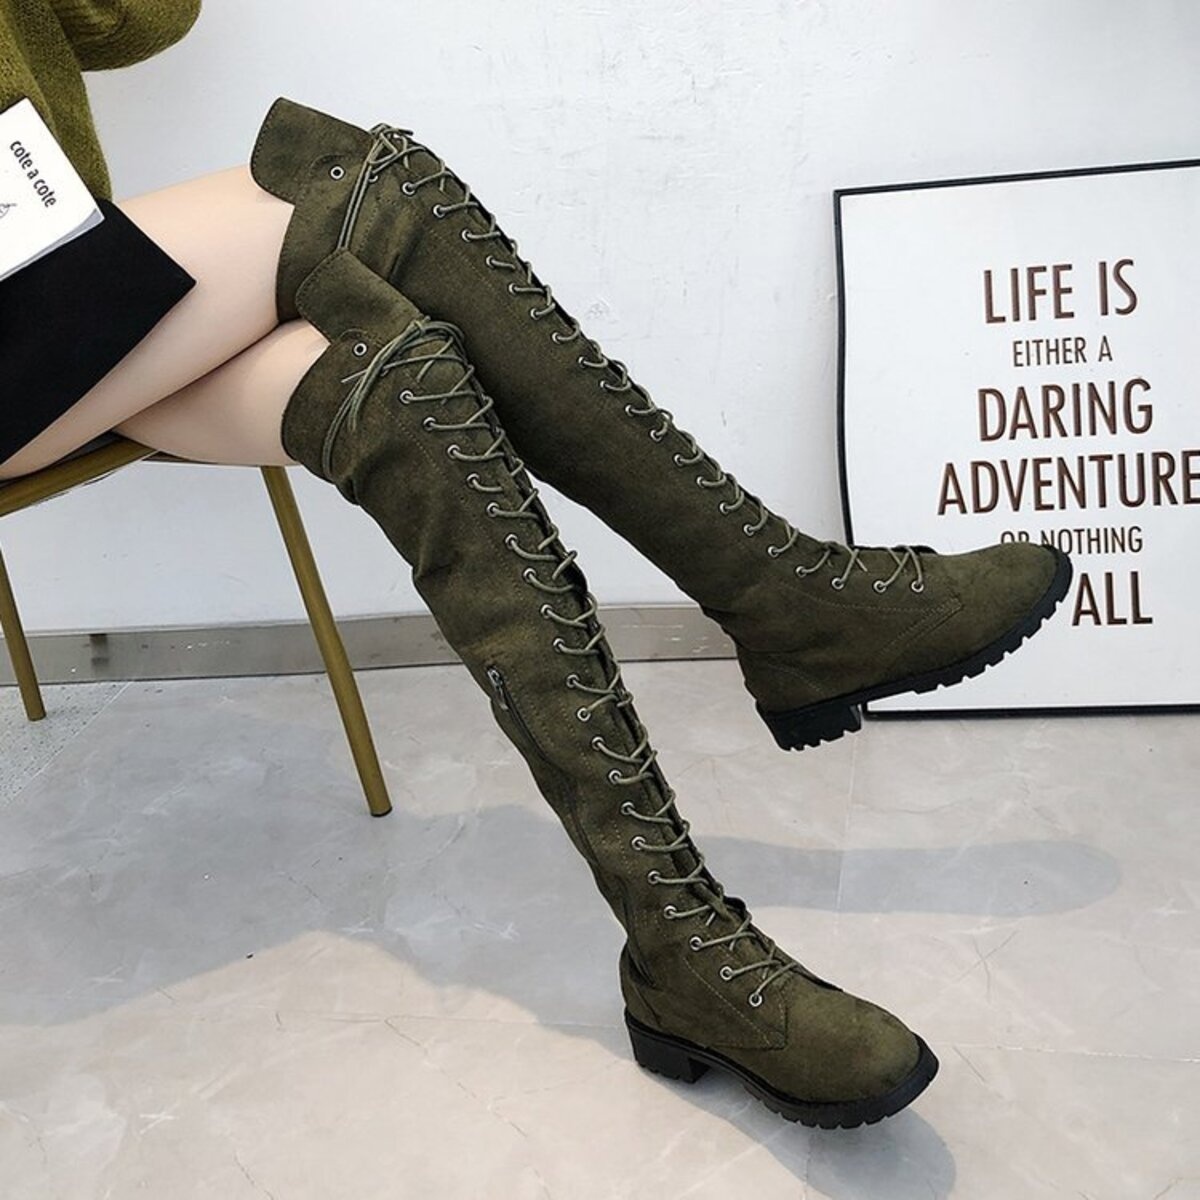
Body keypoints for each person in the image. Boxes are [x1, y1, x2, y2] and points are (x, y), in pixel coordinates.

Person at [0, 1, 1073, 1129]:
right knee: (369, 189)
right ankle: (789, 602)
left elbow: (127, 21)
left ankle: (683, 949)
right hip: (31, 314)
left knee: (403, 386)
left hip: (60, 293)